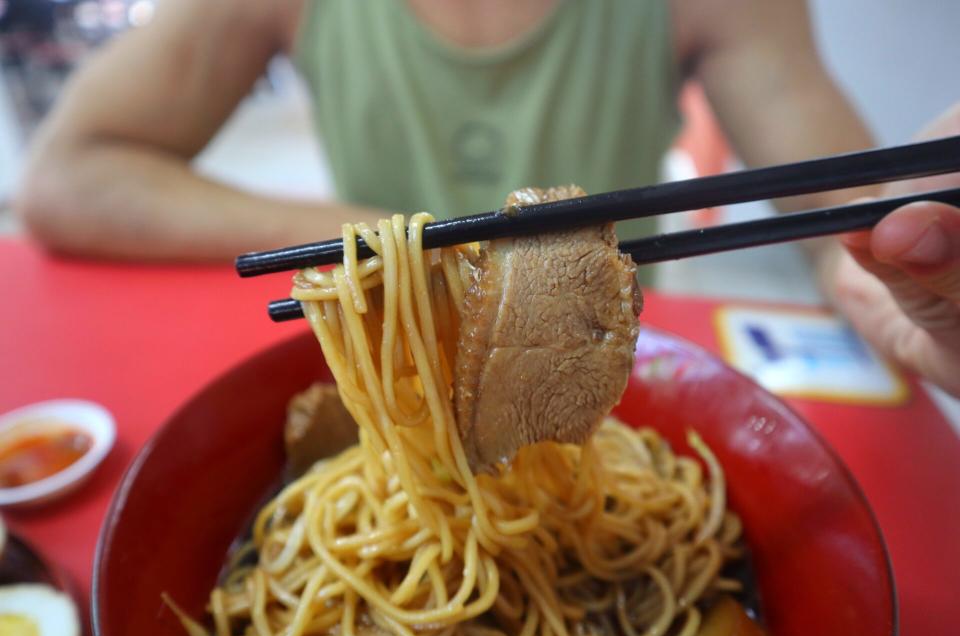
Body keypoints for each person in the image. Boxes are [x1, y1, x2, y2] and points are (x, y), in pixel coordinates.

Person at [12, 0, 959, 397]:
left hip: (618, 366)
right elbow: (65, 177)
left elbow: (851, 214)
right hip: (393, 357)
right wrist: (371, 238)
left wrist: (909, 270)